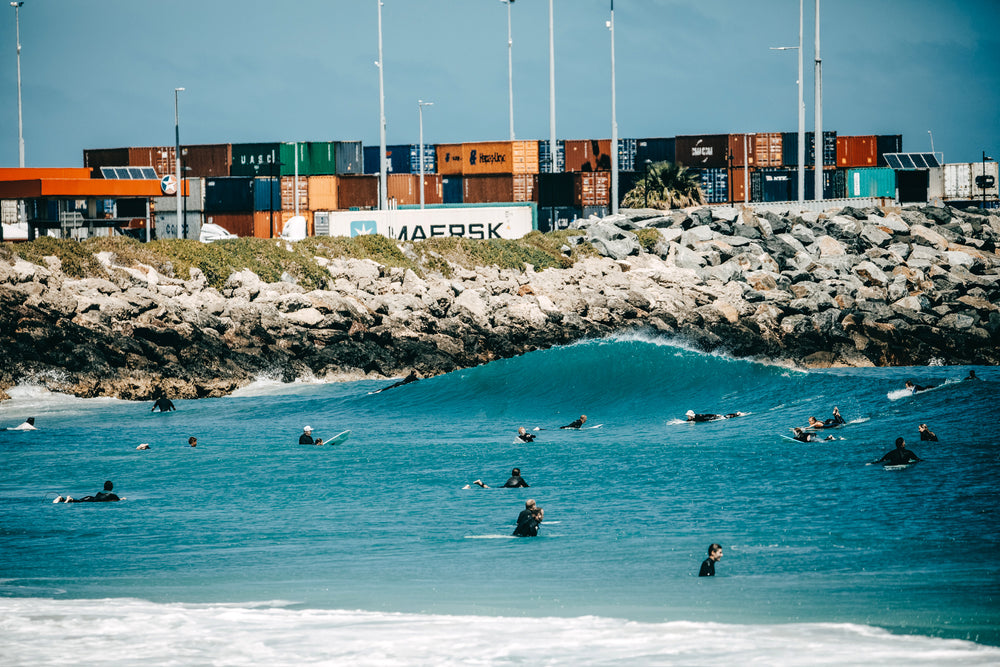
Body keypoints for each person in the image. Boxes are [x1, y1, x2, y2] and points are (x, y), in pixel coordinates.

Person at [54, 480, 122, 503]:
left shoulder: (99, 492)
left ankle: (62, 499)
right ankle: (68, 499)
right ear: (112, 487)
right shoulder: (113, 495)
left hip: (90, 497)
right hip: (93, 500)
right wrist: (122, 499)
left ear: (104, 487)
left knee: (80, 501)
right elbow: (117, 500)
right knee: (80, 502)